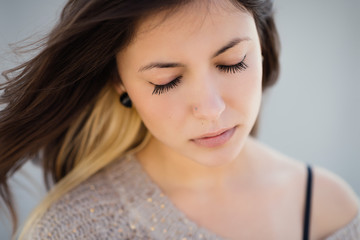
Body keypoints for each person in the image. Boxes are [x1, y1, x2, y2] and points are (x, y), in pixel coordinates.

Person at [0, 0, 359, 239]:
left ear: (262, 46)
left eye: (232, 61)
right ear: (119, 82)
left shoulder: (329, 208)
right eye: (166, 80)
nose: (210, 108)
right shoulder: (73, 230)